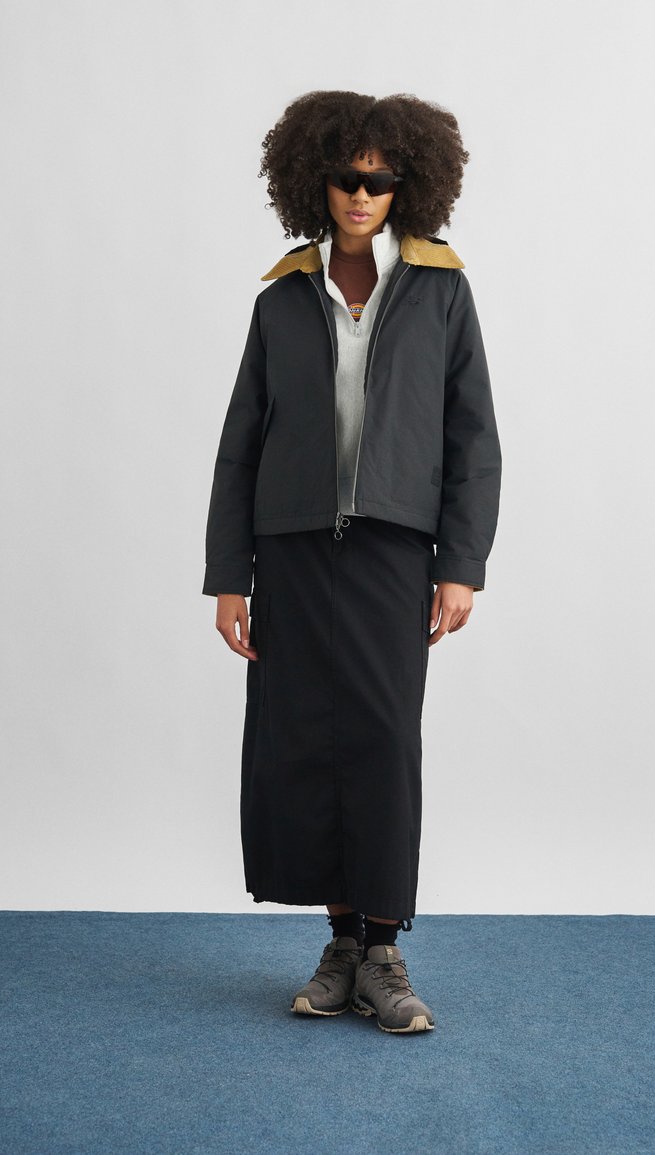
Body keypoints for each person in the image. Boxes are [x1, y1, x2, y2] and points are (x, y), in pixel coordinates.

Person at [202, 90, 502, 1034]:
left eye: (381, 178)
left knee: (381, 741)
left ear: (408, 185)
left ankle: (383, 950)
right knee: (300, 743)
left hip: (390, 547)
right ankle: (339, 945)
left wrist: (461, 562)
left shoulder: (442, 291)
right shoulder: (282, 298)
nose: (362, 193)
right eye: (346, 177)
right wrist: (229, 575)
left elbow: (473, 437)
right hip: (290, 547)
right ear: (316, 183)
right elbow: (241, 443)